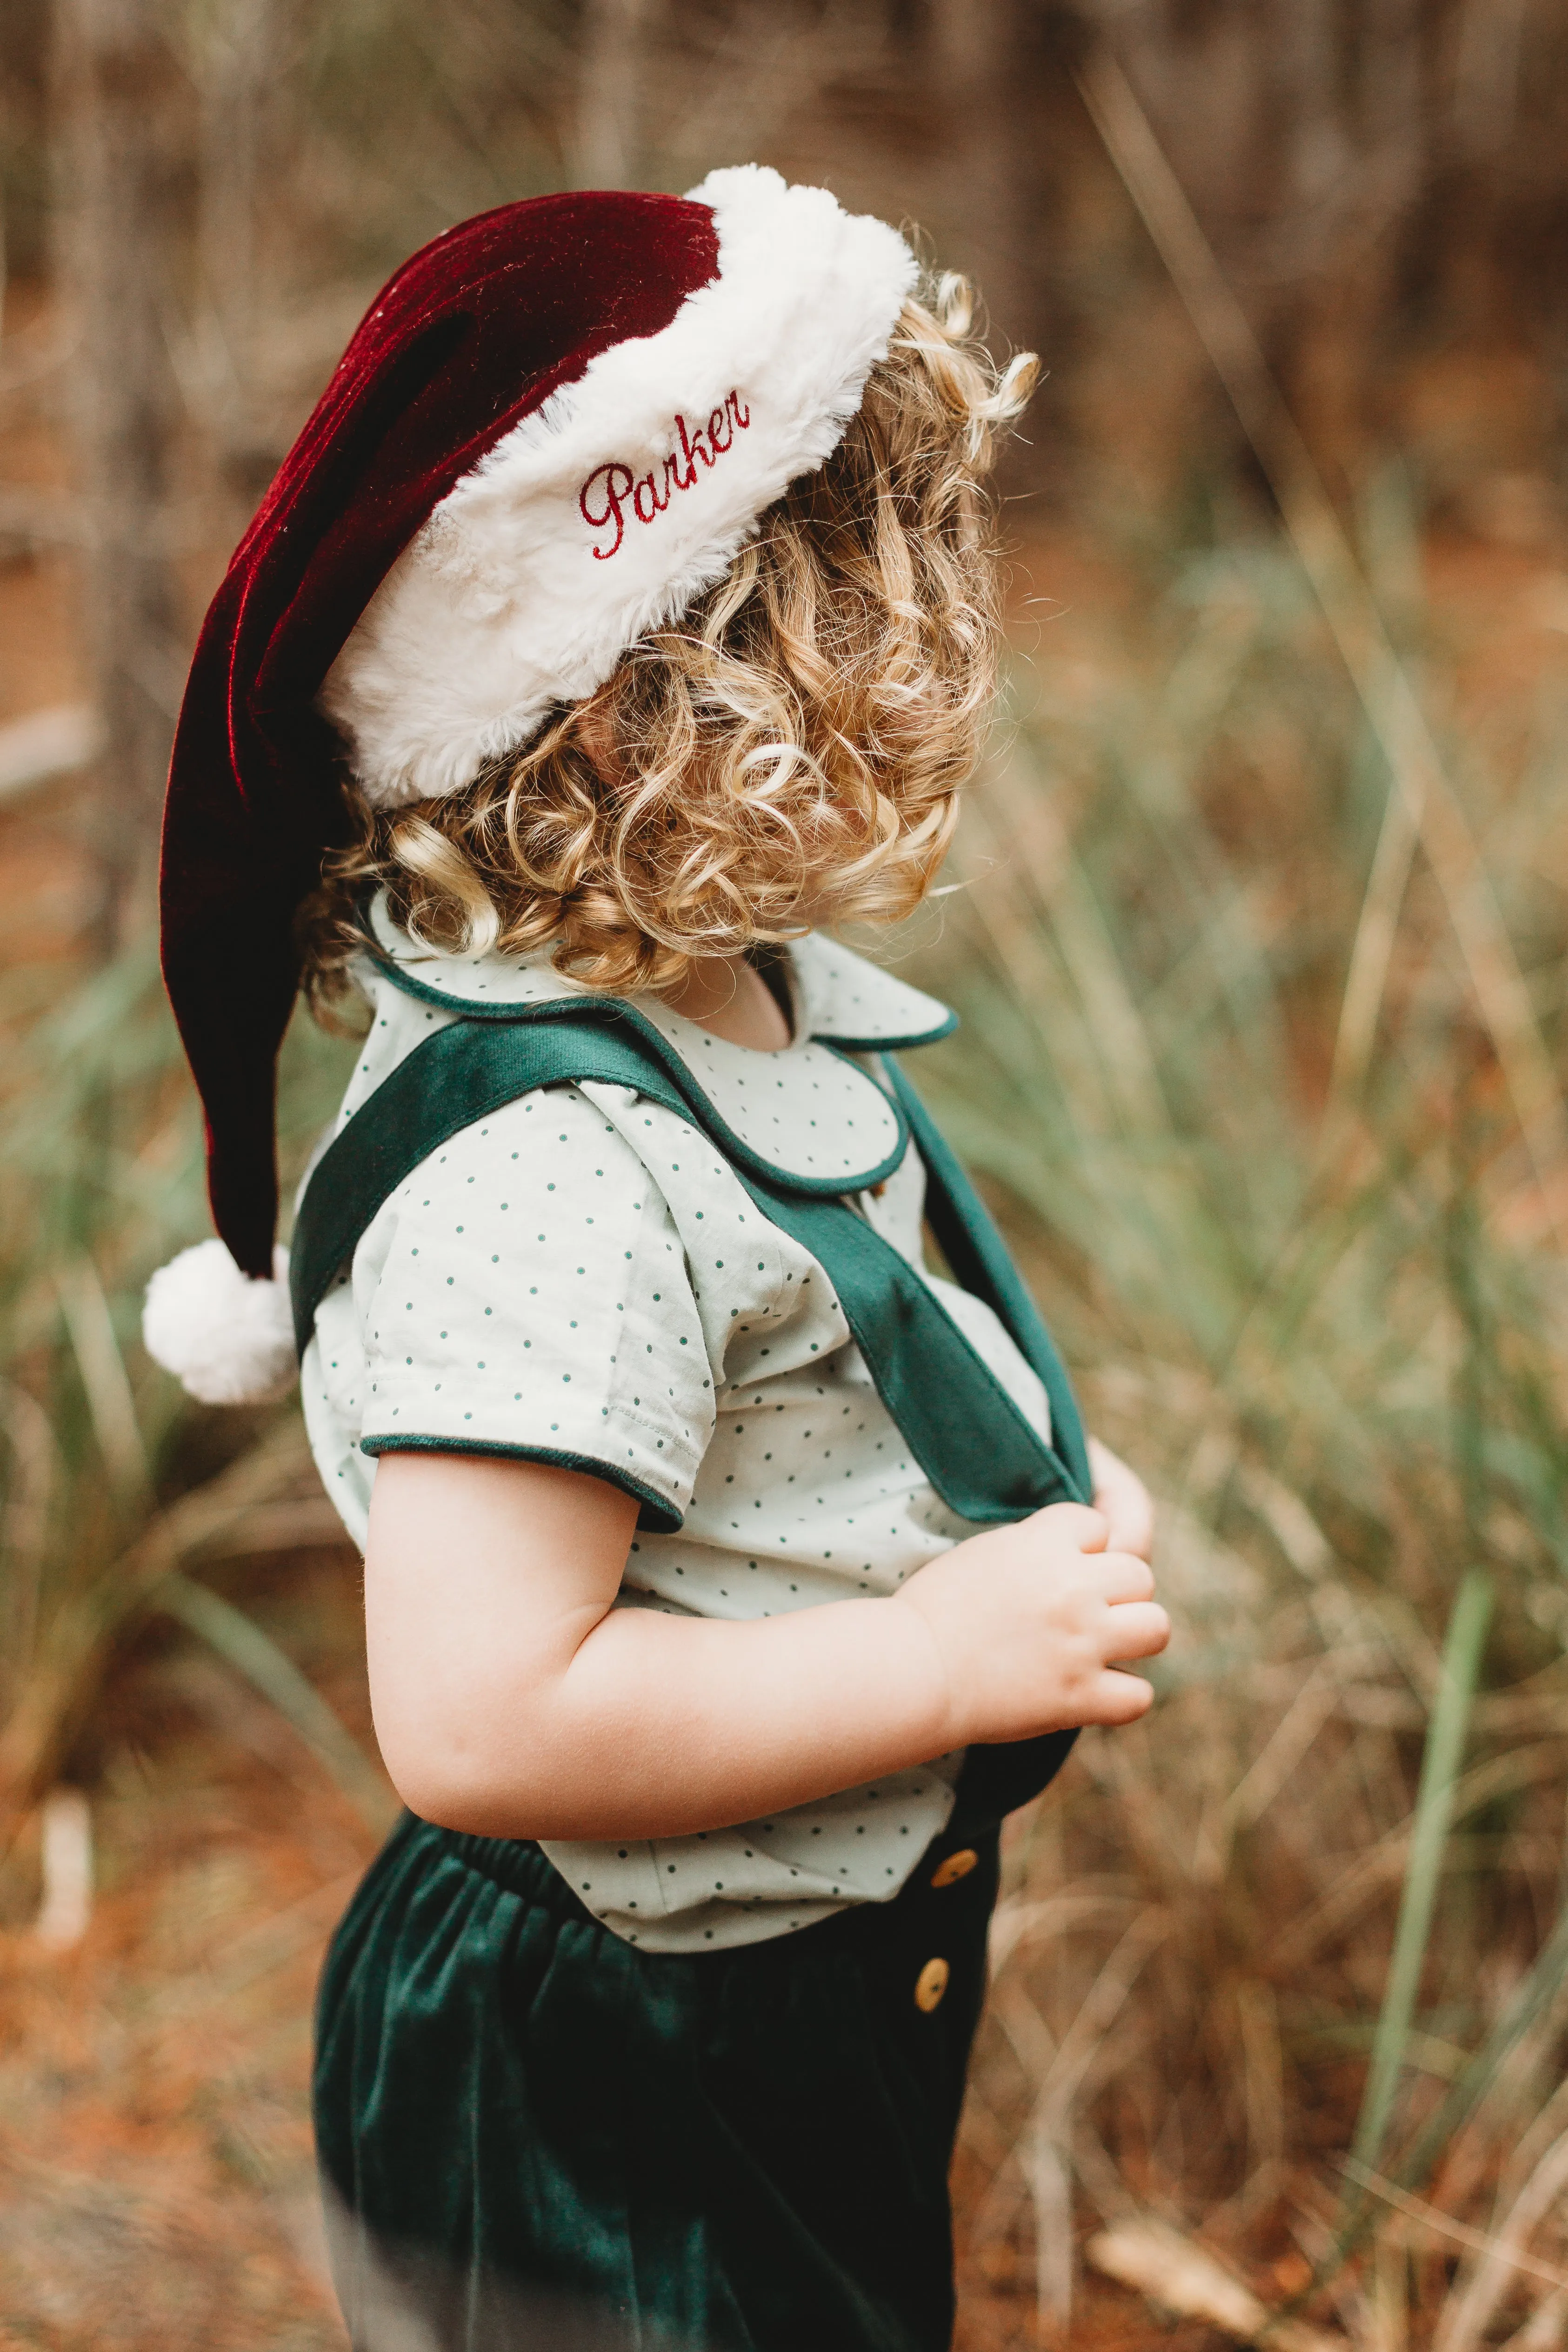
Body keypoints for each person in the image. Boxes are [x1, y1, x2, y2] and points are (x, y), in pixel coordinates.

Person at [143, 166, 1167, 2352]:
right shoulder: (557, 1170)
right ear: (640, 715)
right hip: (605, 2065)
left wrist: (1003, 1517)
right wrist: (939, 1662)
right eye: (867, 617)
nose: (936, 656)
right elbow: (486, 1713)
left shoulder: (717, 984)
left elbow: (810, 1356)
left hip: (784, 1994)